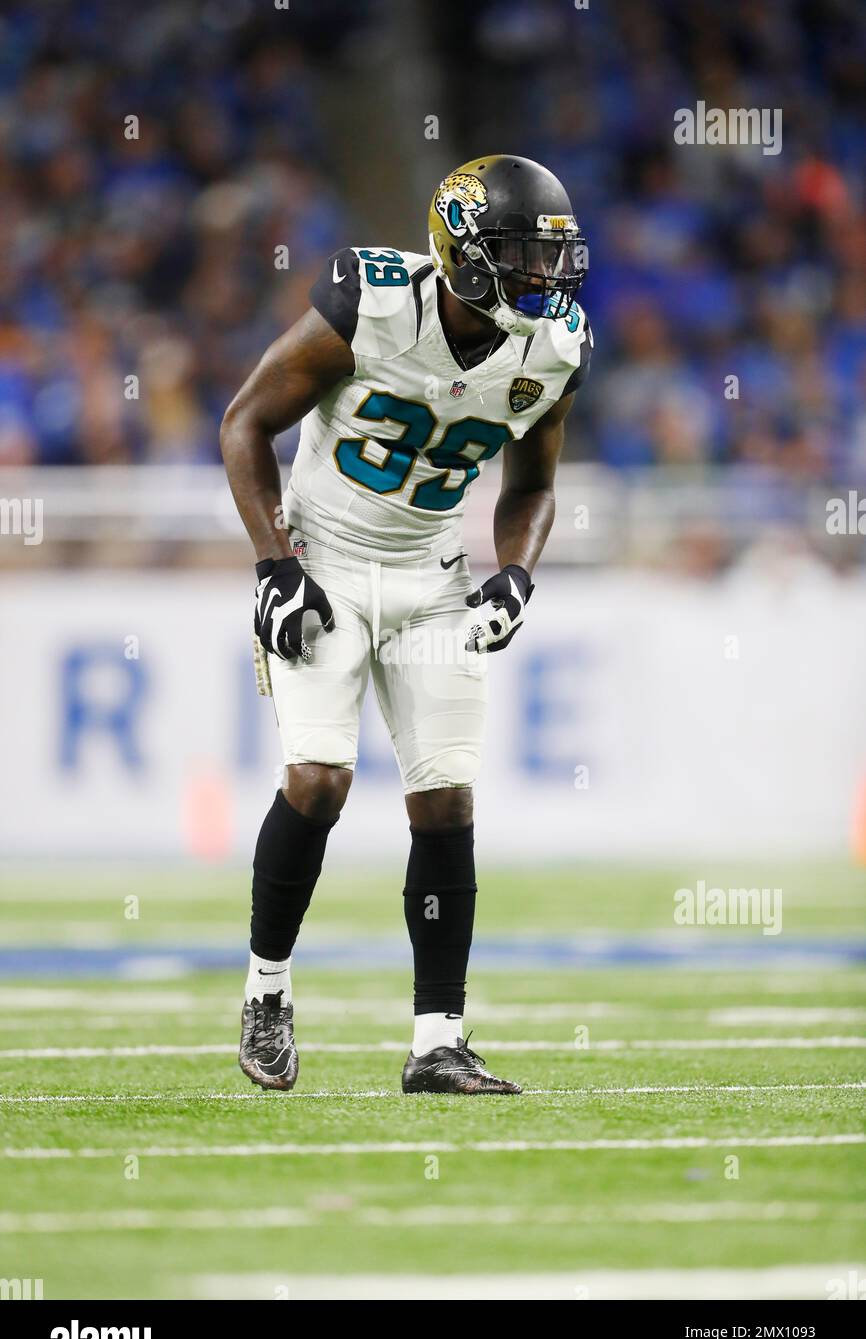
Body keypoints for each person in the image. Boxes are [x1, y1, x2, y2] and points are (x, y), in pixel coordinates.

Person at [221, 154, 592, 1095]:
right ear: (463, 254)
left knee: (446, 799)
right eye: (519, 255)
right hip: (326, 557)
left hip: (432, 574)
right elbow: (242, 423)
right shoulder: (370, 301)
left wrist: (516, 575)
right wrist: (274, 565)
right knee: (317, 781)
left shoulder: (551, 348)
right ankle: (267, 989)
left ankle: (438, 1042)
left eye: (550, 259)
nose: (543, 279)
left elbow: (536, 486)